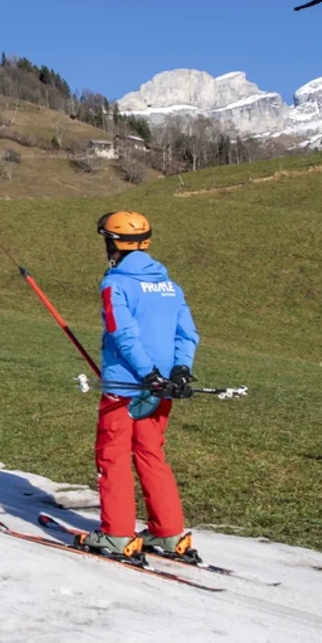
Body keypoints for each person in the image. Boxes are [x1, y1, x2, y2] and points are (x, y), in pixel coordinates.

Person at [77, 211, 201, 563]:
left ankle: (116, 534)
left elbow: (122, 331)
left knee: (112, 455)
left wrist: (147, 373)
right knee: (151, 454)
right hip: (160, 390)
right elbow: (186, 334)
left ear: (112, 243)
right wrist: (179, 371)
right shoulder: (169, 286)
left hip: (125, 387)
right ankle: (169, 533)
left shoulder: (115, 284)